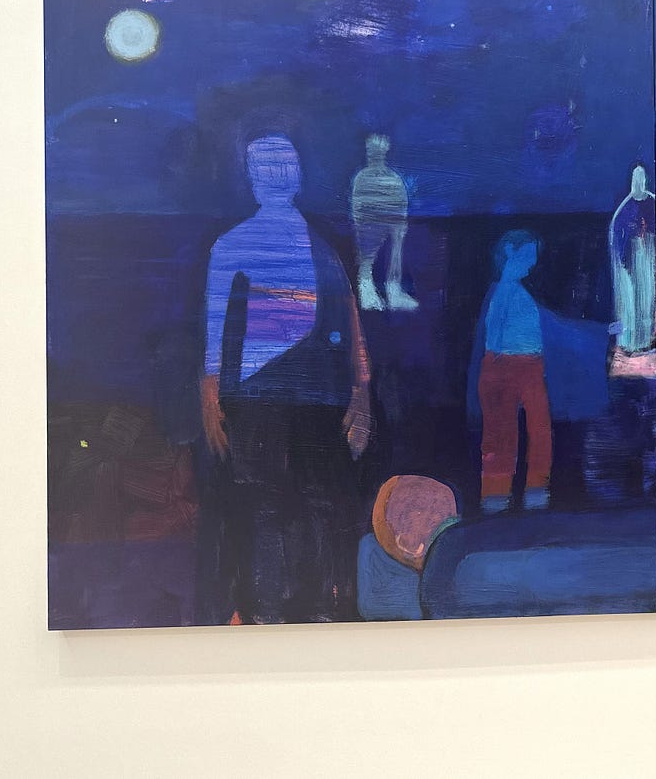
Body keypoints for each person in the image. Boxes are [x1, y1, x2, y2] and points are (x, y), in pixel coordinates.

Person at [199, 133, 372, 623]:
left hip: (291, 395)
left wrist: (361, 392)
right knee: (280, 503)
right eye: (268, 168)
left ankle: (297, 609)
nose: (276, 177)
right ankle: (276, 610)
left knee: (290, 503)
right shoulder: (255, 245)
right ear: (255, 179)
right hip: (272, 394)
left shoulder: (311, 249)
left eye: (282, 167)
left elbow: (350, 321)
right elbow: (216, 326)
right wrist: (210, 390)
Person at [476, 231, 554, 513]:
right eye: (528, 255)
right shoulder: (503, 292)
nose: (532, 263)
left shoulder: (516, 292)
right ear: (510, 251)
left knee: (538, 428)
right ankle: (498, 494)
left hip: (528, 365)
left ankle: (533, 490)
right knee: (501, 431)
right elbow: (494, 333)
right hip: (505, 365)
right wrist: (496, 363)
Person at [609, 164, 656, 377]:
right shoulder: (625, 207)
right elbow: (617, 233)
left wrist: (646, 241)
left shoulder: (653, 202)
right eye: (636, 178)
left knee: (649, 297)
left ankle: (649, 339)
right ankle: (632, 341)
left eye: (641, 178)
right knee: (632, 302)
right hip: (633, 258)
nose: (639, 182)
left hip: (648, 256)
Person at [356, 475, 459, 621]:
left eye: (436, 512)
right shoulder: (371, 548)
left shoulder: (449, 554)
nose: (429, 518)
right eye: (418, 509)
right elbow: (371, 608)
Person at [350, 133, 416, 311]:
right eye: (372, 150)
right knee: (367, 257)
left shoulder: (393, 178)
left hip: (391, 222)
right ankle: (368, 294)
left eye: (378, 150)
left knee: (394, 254)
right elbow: (358, 205)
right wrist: (361, 224)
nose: (375, 154)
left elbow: (401, 203)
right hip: (369, 223)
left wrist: (400, 225)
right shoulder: (362, 178)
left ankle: (393, 292)